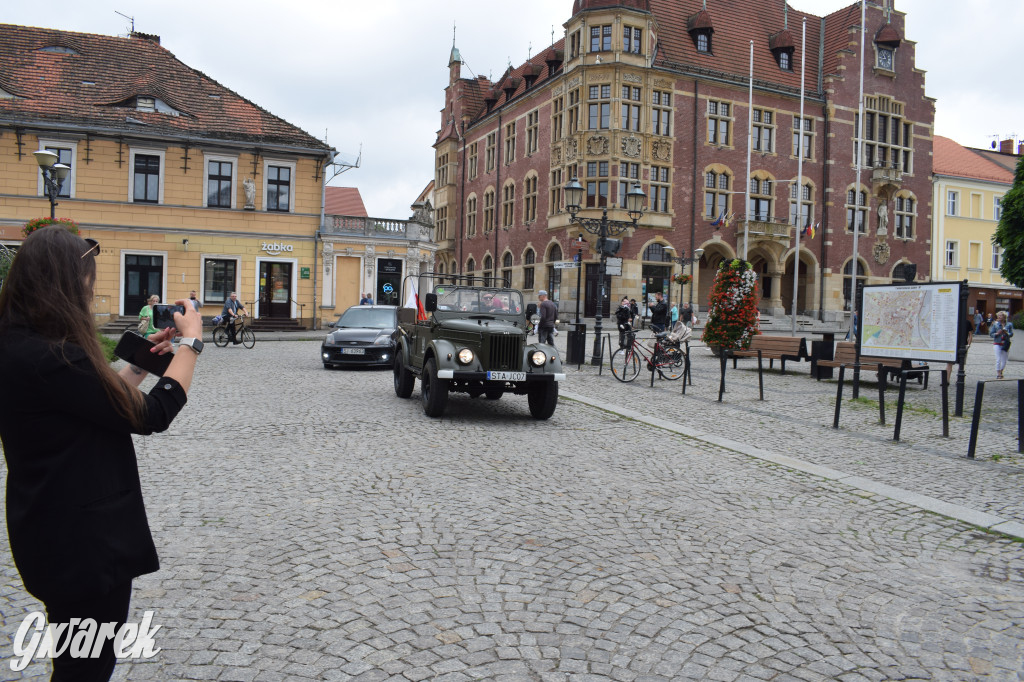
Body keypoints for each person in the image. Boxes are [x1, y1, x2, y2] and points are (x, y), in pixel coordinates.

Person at [0, 226, 202, 681]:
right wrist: (191, 344)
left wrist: (138, 363)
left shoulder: (21, 347)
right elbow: (152, 414)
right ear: (65, 285)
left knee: (75, 663)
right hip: (84, 545)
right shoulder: (54, 358)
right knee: (86, 670)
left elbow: (99, 407)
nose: (91, 289)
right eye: (87, 280)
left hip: (51, 533)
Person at [946, 315, 974, 382]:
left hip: (963, 345)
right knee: (949, 363)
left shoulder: (967, 322)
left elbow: (970, 334)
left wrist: (968, 345)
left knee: (961, 364)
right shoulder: (953, 321)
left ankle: (958, 380)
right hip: (952, 345)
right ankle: (947, 380)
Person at [990, 311, 1014, 379]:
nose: (999, 317)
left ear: (1004, 317)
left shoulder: (1009, 324)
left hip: (1005, 343)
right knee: (998, 359)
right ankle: (998, 373)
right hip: (997, 343)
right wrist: (997, 334)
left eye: (1001, 316)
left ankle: (1001, 371)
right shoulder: (995, 324)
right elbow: (991, 334)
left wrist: (1007, 333)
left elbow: (1011, 334)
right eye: (998, 316)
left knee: (1004, 360)